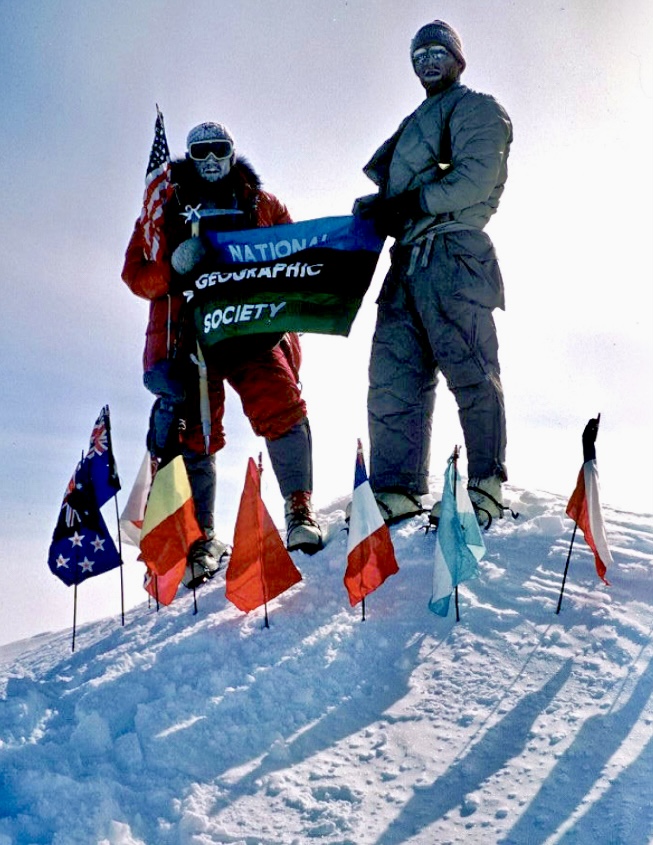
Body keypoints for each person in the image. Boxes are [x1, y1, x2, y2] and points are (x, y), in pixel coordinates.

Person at [122, 122, 322, 588]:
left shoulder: (260, 203)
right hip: (188, 335)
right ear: (189, 157)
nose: (211, 161)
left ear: (233, 154)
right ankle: (201, 538)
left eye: (220, 150)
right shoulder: (164, 210)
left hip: (251, 326)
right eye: (201, 152)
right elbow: (135, 273)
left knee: (281, 404)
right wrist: (170, 267)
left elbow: (294, 255)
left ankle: (298, 508)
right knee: (194, 431)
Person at [353, 20, 513, 528]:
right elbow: (403, 193)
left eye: (436, 50)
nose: (426, 60)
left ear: (457, 58)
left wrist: (411, 203)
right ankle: (396, 491)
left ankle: (484, 484)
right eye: (417, 53)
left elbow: (475, 178)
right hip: (405, 264)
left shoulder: (476, 109)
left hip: (452, 253)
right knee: (393, 379)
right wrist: (378, 209)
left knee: (470, 365)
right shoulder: (416, 121)